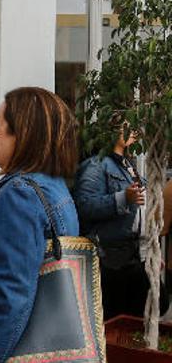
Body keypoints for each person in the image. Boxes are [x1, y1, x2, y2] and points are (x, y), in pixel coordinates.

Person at [0, 87, 80, 363]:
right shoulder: (53, 187)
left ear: (22, 134)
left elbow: (11, 295)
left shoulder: (20, 193)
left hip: (0, 351)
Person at [73, 130, 169, 319]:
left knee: (154, 307)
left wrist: (151, 251)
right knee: (116, 320)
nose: (134, 132)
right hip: (111, 259)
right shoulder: (96, 165)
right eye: (126, 126)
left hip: (133, 255)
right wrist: (123, 197)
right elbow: (85, 206)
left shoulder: (128, 166)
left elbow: (140, 214)